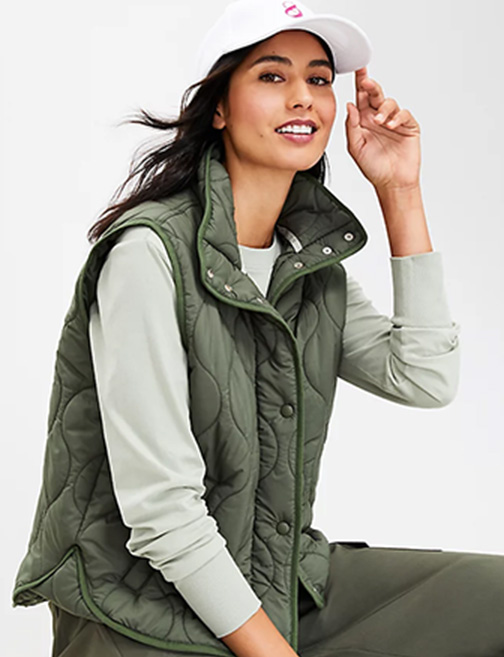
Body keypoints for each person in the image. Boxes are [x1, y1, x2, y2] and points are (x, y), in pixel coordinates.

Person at [11, 0, 504, 655]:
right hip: (141, 605)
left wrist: (400, 191)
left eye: (319, 79)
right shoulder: (147, 256)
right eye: (273, 76)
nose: (303, 97)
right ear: (218, 107)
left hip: (278, 578)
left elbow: (424, 377)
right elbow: (163, 513)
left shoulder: (307, 264)